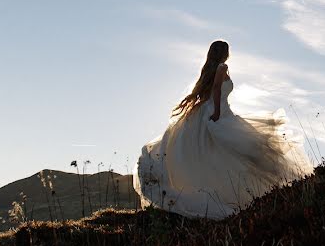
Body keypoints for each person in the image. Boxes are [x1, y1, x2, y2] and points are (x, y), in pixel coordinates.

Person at [134, 40, 312, 219]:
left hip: (210, 110)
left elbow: (208, 91)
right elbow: (217, 88)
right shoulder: (222, 67)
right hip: (217, 111)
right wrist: (217, 112)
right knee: (239, 150)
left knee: (215, 154)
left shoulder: (208, 69)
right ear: (225, 53)